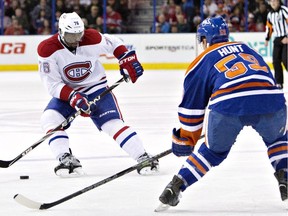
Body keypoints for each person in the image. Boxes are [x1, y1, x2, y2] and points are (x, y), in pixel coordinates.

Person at [156, 16, 288, 211]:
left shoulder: (200, 61)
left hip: (228, 105)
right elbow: (265, 76)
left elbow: (192, 109)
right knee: (278, 139)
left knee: (212, 152)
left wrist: (187, 139)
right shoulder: (246, 48)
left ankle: (177, 185)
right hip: (270, 99)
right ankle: (284, 174)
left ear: (204, 40)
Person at [37, 12, 159, 177]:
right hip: (68, 92)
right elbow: (52, 85)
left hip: (96, 88)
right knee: (50, 118)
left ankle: (143, 157)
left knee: (112, 124)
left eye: (78, 34)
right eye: (70, 35)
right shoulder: (47, 49)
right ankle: (65, 158)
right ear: (60, 32)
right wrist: (72, 96)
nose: (76, 40)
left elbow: (114, 42)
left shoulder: (91, 38)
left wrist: (125, 58)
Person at [265, 0, 288, 89]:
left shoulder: (284, 10)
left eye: (275, 1)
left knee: (286, 60)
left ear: (279, 2)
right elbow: (269, 27)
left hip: (286, 38)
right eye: (271, 1)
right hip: (277, 39)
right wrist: (267, 39)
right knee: (276, 61)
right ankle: (279, 82)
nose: (273, 3)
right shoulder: (270, 14)